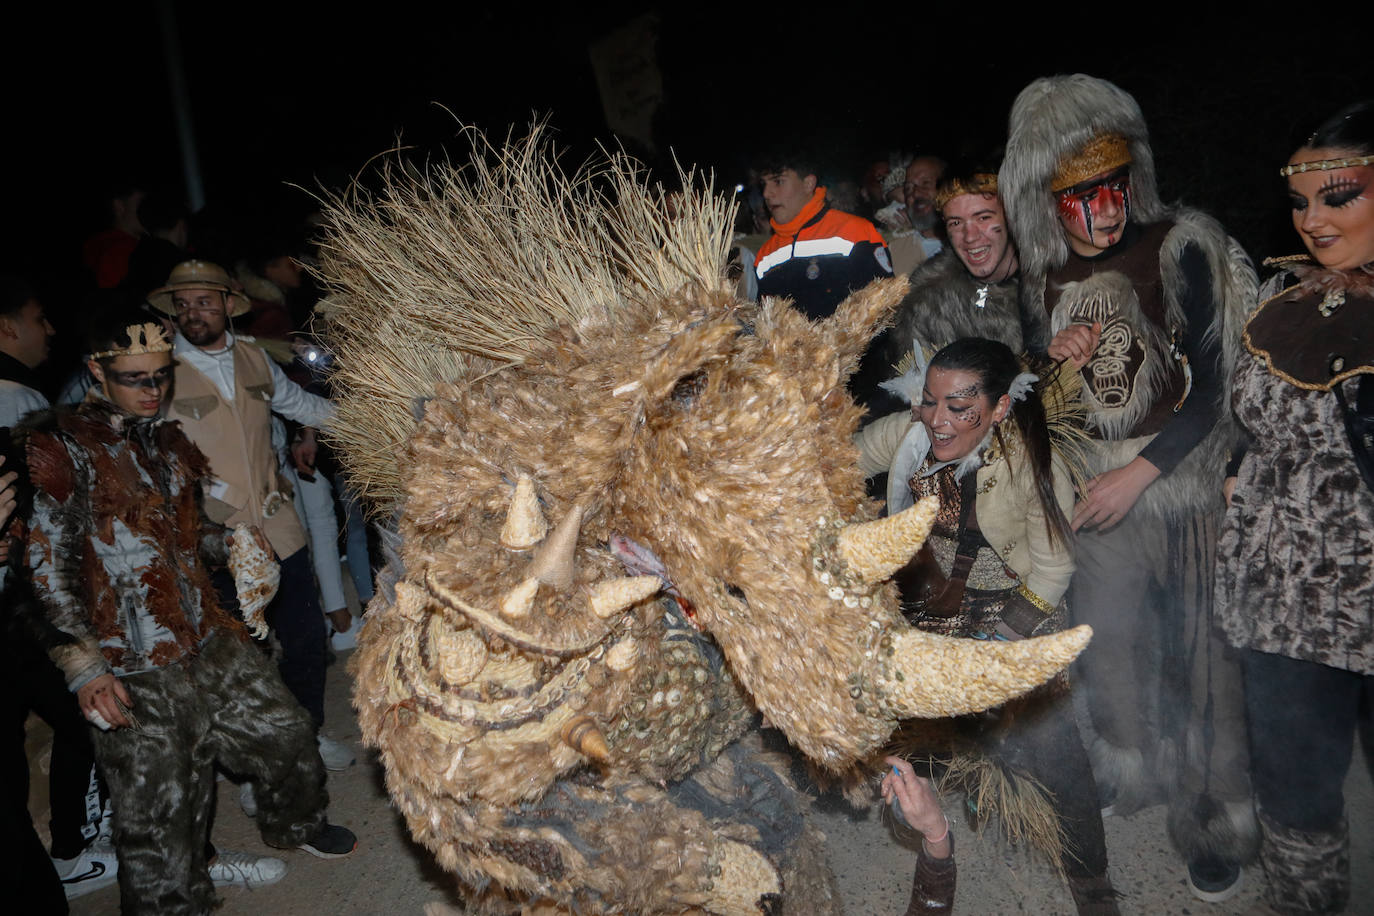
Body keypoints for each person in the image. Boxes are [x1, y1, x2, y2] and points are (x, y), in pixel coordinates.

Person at [1001, 73, 1258, 901]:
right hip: (1095, 497)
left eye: (1114, 188)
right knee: (1107, 646)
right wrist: (1053, 364)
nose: (1104, 210)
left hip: (1180, 485)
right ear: (1051, 201)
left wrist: (1145, 474)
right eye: (1081, 196)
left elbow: (1221, 384)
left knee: (1204, 655)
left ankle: (1216, 816)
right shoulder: (1040, 279)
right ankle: (1132, 769)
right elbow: (1051, 408)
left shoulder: (1180, 245)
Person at [17, 317, 356, 915]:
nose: (150, 390)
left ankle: (294, 824)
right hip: (129, 654)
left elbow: (179, 537)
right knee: (159, 808)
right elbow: (47, 568)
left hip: (203, 632)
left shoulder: (167, 440)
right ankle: (171, 905)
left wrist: (234, 544)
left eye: (159, 377)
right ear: (96, 371)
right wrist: (84, 668)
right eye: (133, 379)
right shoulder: (62, 447)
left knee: (284, 732)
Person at [856, 337, 1118, 915]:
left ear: (999, 408)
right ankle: (938, 830)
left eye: (959, 408)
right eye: (929, 402)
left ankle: (1089, 875)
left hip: (1016, 611)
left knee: (1051, 749)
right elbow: (839, 459)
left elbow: (1054, 567)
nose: (938, 420)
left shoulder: (1027, 455)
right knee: (903, 750)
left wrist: (994, 653)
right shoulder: (910, 436)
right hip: (930, 611)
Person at [1215, 100, 1374, 915]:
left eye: (1338, 196)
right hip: (1280, 597)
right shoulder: (1285, 288)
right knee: (1295, 791)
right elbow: (1257, 413)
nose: (1313, 219)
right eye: (1302, 200)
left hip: (1364, 591)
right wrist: (1243, 469)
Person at [145, 260, 354, 771]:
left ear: (228, 305)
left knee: (306, 641)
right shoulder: (159, 370)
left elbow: (303, 406)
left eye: (205, 301)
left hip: (277, 521)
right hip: (215, 535)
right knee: (239, 658)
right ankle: (256, 764)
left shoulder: (256, 359)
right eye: (184, 303)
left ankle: (308, 736)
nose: (194, 312)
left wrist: (373, 418)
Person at [753, 151, 893, 320]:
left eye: (778, 181)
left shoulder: (855, 232)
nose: (767, 194)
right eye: (764, 184)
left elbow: (885, 310)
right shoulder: (765, 254)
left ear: (808, 183)